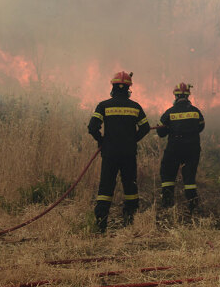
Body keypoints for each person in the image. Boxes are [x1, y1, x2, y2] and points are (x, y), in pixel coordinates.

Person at [87, 71, 151, 233]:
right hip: (129, 153)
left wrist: (101, 141)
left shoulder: (104, 105)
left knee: (106, 186)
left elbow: (92, 127)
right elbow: (145, 128)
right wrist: (133, 139)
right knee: (130, 186)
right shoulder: (135, 107)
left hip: (110, 153)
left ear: (113, 87)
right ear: (129, 89)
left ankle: (101, 223)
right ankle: (129, 222)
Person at [156, 82, 205, 215]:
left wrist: (169, 128)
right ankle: (193, 205)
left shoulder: (170, 112)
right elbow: (201, 127)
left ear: (176, 96)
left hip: (174, 148)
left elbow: (160, 132)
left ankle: (167, 204)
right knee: (189, 177)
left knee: (167, 174)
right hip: (192, 149)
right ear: (188, 96)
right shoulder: (196, 111)